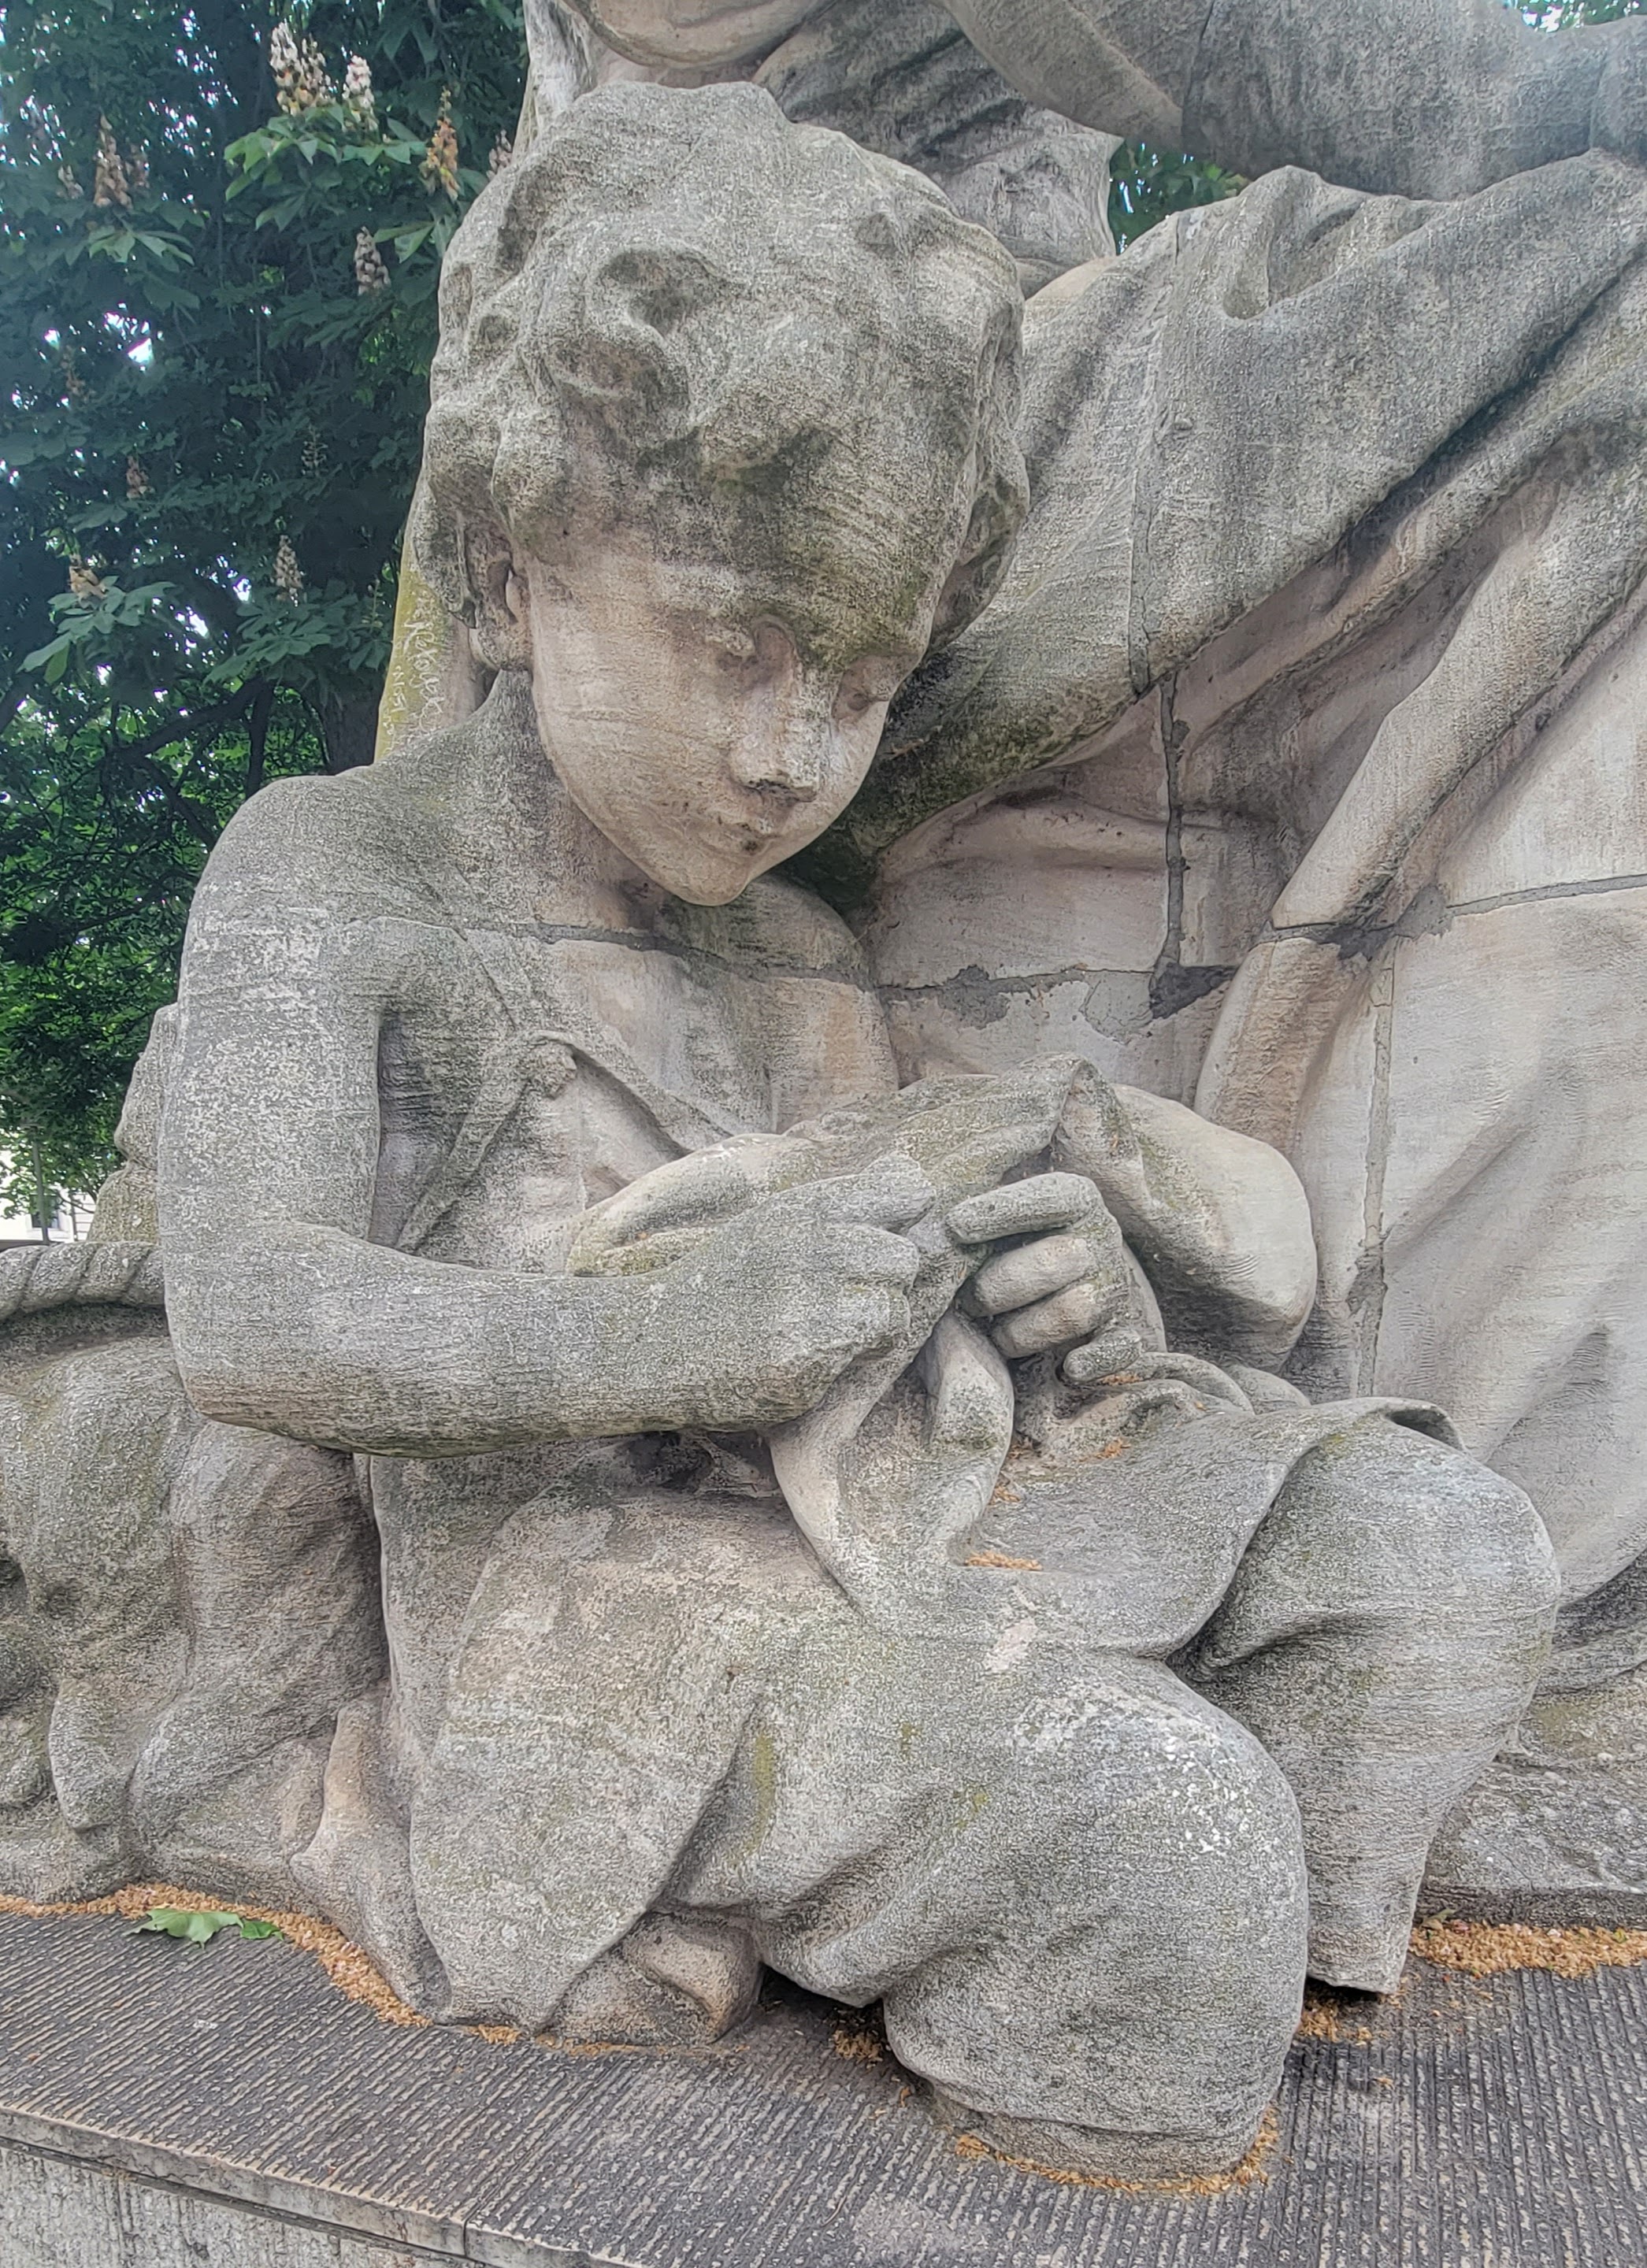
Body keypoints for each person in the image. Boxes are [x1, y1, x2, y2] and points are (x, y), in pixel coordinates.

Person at [128, 87, 1556, 2177]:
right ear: (512, 577)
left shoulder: (795, 940)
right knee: (1158, 1848)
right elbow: (248, 1314)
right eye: (735, 651)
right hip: (571, 1579)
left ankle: (1288, 2026)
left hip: (864, 1510)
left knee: (1441, 1558)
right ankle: (1110, 2025)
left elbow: (886, 1299)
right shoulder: (329, 865)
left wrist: (1057, 1304)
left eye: (863, 680)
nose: (791, 753)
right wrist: (674, 1340)